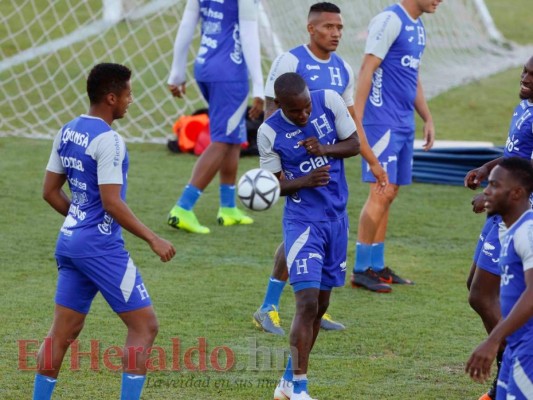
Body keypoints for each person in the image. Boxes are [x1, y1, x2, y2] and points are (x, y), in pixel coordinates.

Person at [33, 63, 176, 400]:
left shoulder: (66, 130)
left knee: (61, 333)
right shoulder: (109, 141)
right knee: (144, 326)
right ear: (111, 97)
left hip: (69, 243)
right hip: (100, 247)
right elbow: (112, 203)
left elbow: (49, 192)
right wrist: (153, 238)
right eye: (128, 93)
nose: (131, 100)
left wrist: (80, 218)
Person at [253, 1, 388, 335]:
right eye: (329, 27)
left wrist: (367, 155)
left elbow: (350, 118)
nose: (336, 33)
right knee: (299, 235)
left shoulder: (342, 67)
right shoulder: (292, 60)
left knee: (318, 238)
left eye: (340, 28)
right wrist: (287, 164)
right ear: (311, 28)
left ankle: (316, 308)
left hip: (331, 173)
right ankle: (270, 305)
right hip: (299, 171)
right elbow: (274, 109)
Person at [258, 72, 360, 400]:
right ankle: (301, 389)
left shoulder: (329, 100)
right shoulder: (269, 131)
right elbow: (272, 186)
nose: (303, 115)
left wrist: (325, 148)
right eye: (295, 112)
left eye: (306, 108)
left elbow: (355, 144)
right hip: (303, 223)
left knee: (322, 304)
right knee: (306, 302)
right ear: (280, 107)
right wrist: (304, 181)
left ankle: (287, 382)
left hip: (337, 220)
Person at [350, 0, 441, 293]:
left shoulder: (419, 26)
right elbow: (367, 67)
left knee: (391, 191)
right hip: (381, 122)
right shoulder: (390, 20)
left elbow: (412, 77)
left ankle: (376, 265)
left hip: (403, 121)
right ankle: (360, 269)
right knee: (380, 189)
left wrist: (426, 116)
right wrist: (358, 118)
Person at [463, 55, 533, 400]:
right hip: (503, 206)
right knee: (474, 286)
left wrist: (495, 195)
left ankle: (508, 364)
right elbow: (516, 157)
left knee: (482, 293)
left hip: (518, 212)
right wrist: (487, 168)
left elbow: (527, 171)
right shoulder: (525, 107)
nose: (525, 78)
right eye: (525, 71)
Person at [166, 0, 264, 234]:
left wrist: (177, 72)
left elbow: (187, 25)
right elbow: (249, 35)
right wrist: (260, 86)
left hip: (205, 67)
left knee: (232, 136)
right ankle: (183, 208)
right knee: (222, 141)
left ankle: (228, 208)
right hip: (230, 71)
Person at [465, 157, 533, 400]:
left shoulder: (527, 233)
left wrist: (493, 341)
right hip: (516, 347)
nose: (486, 191)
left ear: (516, 193)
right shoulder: (509, 230)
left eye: (494, 186)